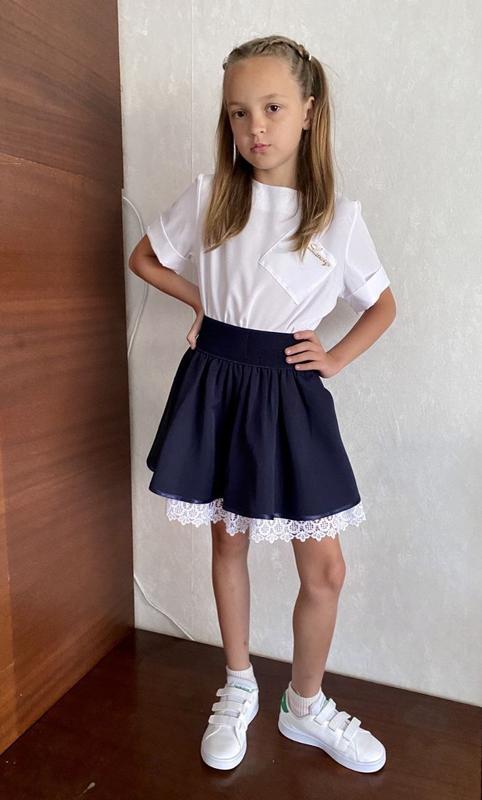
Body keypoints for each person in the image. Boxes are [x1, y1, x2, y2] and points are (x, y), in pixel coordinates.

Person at [129, 34, 396, 774]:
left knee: (326, 569)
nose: (255, 127)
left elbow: (381, 305)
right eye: (239, 112)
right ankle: (239, 682)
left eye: (273, 108)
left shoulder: (337, 218)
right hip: (218, 382)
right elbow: (144, 258)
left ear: (309, 110)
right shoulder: (212, 196)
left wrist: (335, 356)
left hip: (291, 395)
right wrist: (203, 302)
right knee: (229, 541)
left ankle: (304, 706)